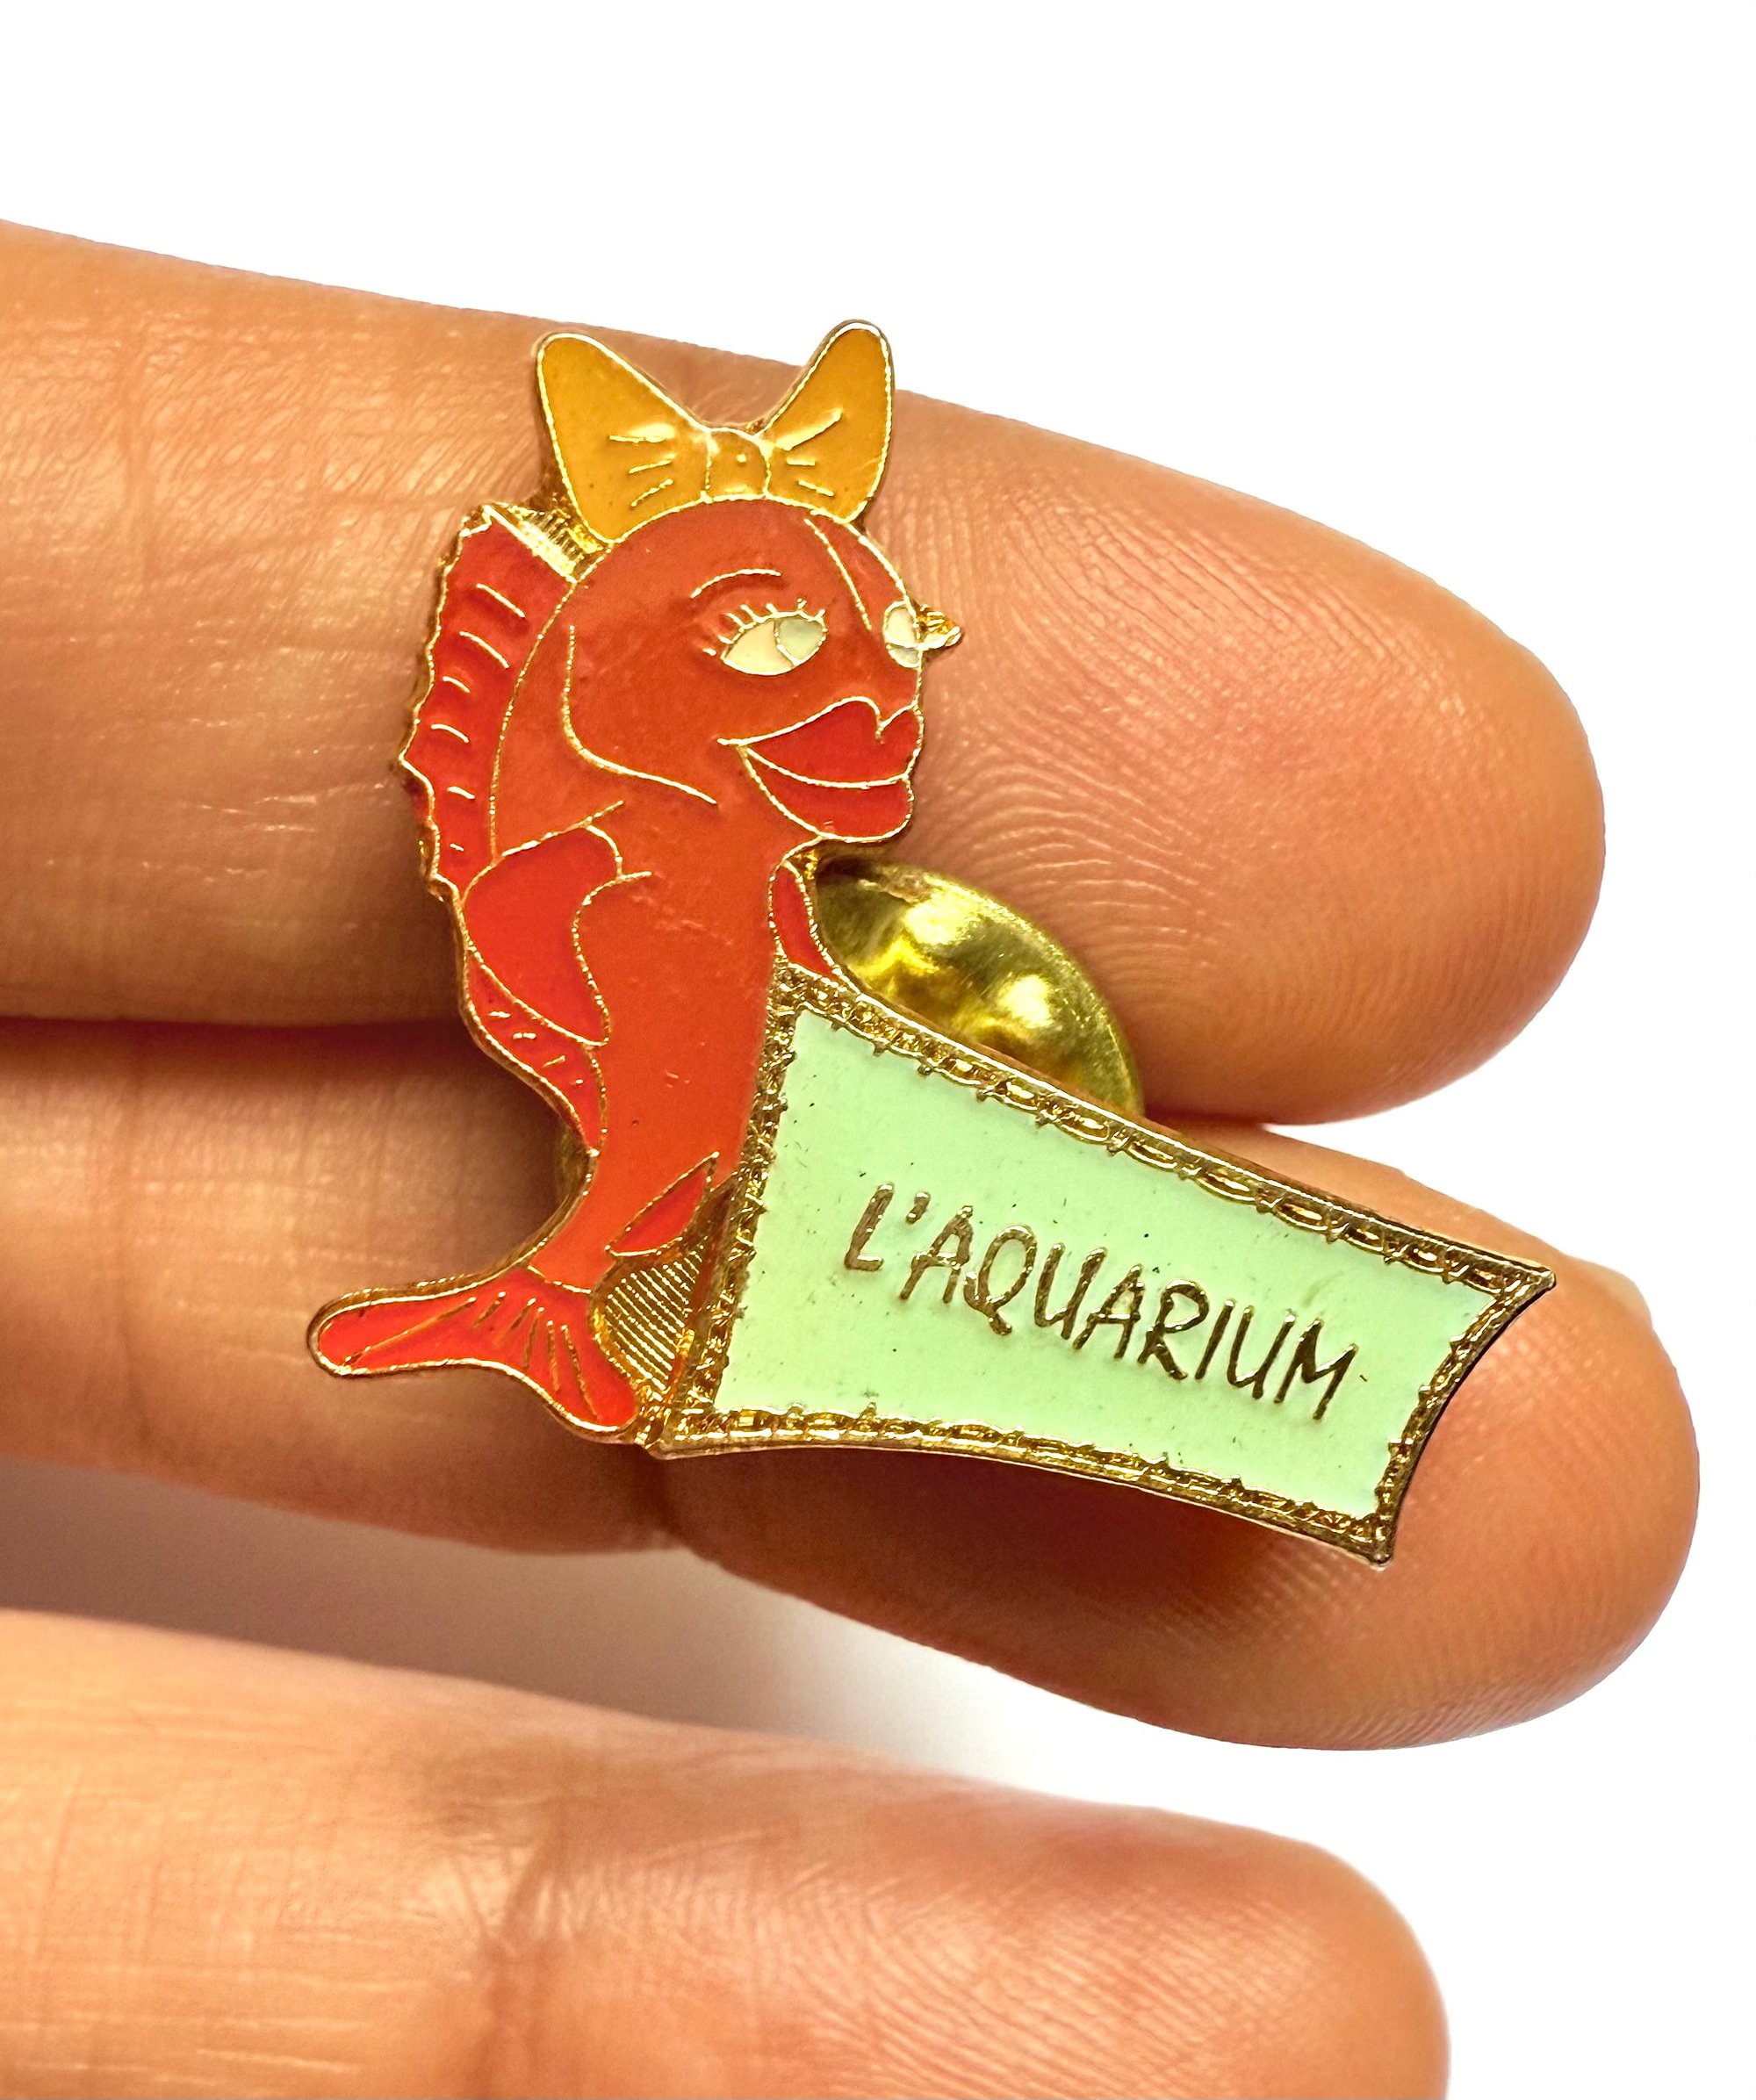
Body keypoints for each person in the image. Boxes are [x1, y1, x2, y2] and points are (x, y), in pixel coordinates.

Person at [0, 222, 1696, 2099]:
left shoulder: (744, 900)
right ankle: (571, 1299)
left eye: (895, 649)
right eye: (784, 643)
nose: (884, 695)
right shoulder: (618, 884)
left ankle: (593, 1296)